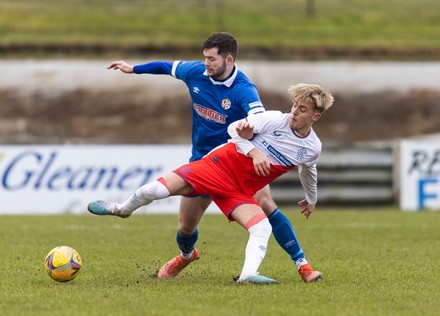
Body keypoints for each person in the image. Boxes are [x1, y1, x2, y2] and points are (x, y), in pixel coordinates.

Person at [106, 32, 322, 283]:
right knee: (185, 227)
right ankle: (186, 255)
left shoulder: (244, 90)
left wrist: (256, 151)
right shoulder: (196, 72)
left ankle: (302, 265)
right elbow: (167, 66)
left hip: (242, 160)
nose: (206, 63)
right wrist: (133, 69)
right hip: (205, 161)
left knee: (266, 205)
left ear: (228, 60)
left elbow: (261, 121)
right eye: (205, 58)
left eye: (211, 59)